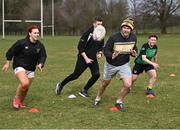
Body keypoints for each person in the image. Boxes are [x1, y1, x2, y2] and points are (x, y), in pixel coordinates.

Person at [93, 18, 137, 112]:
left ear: (131, 30)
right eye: (124, 27)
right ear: (121, 28)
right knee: (105, 84)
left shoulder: (133, 37)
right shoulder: (114, 37)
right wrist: (111, 55)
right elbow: (106, 50)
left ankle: (119, 101)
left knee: (128, 85)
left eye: (128, 28)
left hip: (124, 65)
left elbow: (133, 48)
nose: (126, 30)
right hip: (111, 65)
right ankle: (98, 98)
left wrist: (134, 53)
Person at [55, 16, 104, 98]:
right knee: (75, 75)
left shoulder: (101, 33)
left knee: (96, 74)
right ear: (94, 24)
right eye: (98, 24)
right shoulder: (87, 33)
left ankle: (84, 91)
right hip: (83, 58)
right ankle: (60, 85)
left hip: (92, 59)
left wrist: (100, 52)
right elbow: (80, 48)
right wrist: (86, 59)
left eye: (101, 25)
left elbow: (101, 45)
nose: (100, 26)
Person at [2, 25, 47, 109]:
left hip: (31, 69)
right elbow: (11, 52)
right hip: (19, 66)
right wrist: (7, 63)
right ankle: (16, 100)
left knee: (26, 88)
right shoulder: (21, 43)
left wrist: (41, 64)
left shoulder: (40, 45)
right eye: (35, 33)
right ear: (30, 33)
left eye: (38, 33)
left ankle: (20, 103)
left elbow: (43, 56)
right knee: (25, 83)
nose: (37, 34)